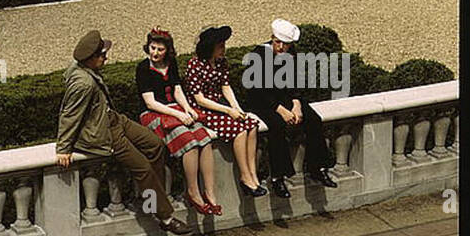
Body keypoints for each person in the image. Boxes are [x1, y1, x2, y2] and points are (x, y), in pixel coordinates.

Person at [56, 29, 191, 234]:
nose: (106, 57)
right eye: (102, 55)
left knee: (155, 145)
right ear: (90, 59)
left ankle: (151, 197)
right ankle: (165, 216)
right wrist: (63, 148)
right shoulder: (82, 83)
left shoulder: (84, 68)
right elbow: (69, 114)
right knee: (143, 168)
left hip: (114, 119)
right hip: (105, 132)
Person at [238, 18, 339, 197]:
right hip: (262, 102)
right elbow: (257, 90)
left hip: (285, 99)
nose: (282, 48)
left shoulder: (292, 54)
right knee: (277, 126)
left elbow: (296, 82)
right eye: (279, 43)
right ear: (272, 39)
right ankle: (278, 177)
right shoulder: (259, 55)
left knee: (314, 120)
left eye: (286, 44)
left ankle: (318, 167)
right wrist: (280, 109)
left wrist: (296, 104)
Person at [136, 27, 221, 216]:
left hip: (174, 109)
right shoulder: (143, 68)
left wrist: (187, 109)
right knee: (189, 143)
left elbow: (177, 90)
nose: (155, 53)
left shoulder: (171, 63)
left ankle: (210, 192)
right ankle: (193, 191)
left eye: (160, 49)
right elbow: (150, 102)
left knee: (204, 138)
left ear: (168, 50)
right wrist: (178, 115)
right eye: (152, 48)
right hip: (154, 114)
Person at [183, 25, 266, 197]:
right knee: (240, 131)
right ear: (209, 47)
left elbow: (225, 86)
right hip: (204, 109)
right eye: (220, 46)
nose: (224, 49)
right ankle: (244, 176)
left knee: (252, 125)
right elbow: (199, 99)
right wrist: (228, 111)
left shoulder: (221, 62)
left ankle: (252, 173)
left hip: (220, 104)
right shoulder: (194, 64)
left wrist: (236, 107)